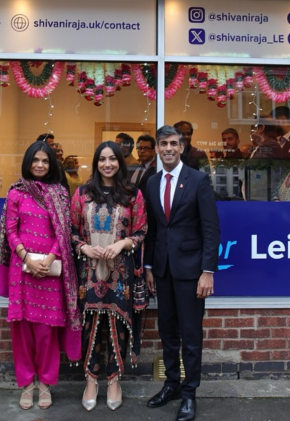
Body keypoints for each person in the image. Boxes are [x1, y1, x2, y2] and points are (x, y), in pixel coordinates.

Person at [0, 141, 81, 411]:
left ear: (52, 164)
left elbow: (64, 232)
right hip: (22, 271)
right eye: (36, 160)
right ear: (28, 162)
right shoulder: (16, 193)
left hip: (50, 270)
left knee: (46, 332)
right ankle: (26, 384)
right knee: (21, 331)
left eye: (45, 161)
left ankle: (45, 383)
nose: (40, 165)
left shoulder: (59, 193)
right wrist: (26, 258)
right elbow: (10, 230)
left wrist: (49, 259)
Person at [144, 125, 219, 421]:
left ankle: (189, 394)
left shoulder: (199, 180)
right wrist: (149, 266)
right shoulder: (151, 182)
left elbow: (211, 230)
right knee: (167, 333)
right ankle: (171, 385)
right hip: (162, 271)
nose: (168, 148)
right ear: (158, 148)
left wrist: (207, 271)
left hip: (191, 272)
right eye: (163, 144)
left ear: (182, 146)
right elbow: (151, 230)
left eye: (174, 143)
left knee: (190, 336)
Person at [70, 141, 147, 412]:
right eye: (102, 159)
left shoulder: (132, 194)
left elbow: (141, 231)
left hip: (120, 273)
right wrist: (85, 247)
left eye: (112, 159)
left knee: (117, 328)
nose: (107, 164)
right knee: (90, 326)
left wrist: (122, 244)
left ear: (120, 162)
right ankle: (90, 380)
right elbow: (72, 231)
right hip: (89, 272)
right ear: (96, 162)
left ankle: (114, 380)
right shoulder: (82, 193)